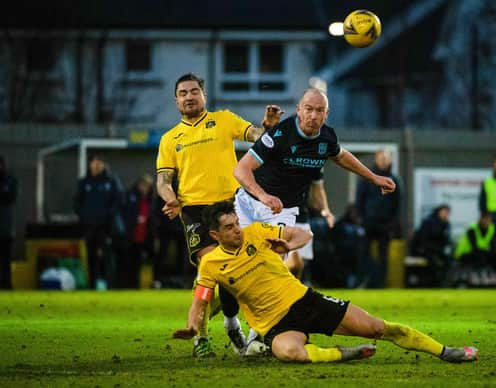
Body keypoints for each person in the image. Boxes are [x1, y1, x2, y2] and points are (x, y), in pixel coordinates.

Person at [173, 200, 478, 364]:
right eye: (229, 227)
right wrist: (191, 326)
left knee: (376, 327)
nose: (237, 230)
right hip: (275, 326)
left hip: (306, 301)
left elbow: (305, 234)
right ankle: (346, 353)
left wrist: (290, 245)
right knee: (288, 352)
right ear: (215, 235)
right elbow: (200, 300)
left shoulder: (256, 232)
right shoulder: (211, 264)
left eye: (237, 223)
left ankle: (444, 351)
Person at [231, 88, 396, 347]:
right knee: (235, 266)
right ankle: (230, 323)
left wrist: (374, 178)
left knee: (270, 268)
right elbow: (241, 170)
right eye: (308, 109)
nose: (312, 115)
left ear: (326, 114)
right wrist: (263, 195)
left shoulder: (327, 138)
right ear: (299, 109)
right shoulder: (281, 133)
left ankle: (256, 334)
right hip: (248, 202)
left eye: (319, 111)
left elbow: (343, 157)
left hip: (282, 210)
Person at [156, 72, 282, 357]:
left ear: (204, 95)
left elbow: (255, 136)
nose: (189, 96)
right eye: (183, 93)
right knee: (212, 268)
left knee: (232, 270)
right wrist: (171, 198)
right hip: (194, 211)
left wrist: (269, 129)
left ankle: (230, 322)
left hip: (231, 204)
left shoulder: (224, 119)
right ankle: (201, 339)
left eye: (193, 91)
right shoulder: (169, 139)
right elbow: (163, 181)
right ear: (176, 100)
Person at [73, 153, 125, 290]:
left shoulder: (111, 181)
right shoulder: (84, 183)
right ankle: (91, 285)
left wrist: (107, 215)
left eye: (99, 162)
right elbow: (77, 203)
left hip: (106, 227)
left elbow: (119, 200)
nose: (96, 165)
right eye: (94, 162)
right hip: (89, 226)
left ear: (104, 165)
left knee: (108, 256)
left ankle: (110, 285)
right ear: (90, 164)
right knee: (91, 256)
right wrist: (85, 216)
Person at [355, 148, 402, 288]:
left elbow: (398, 203)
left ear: (390, 160)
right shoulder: (367, 179)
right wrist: (361, 219)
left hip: (385, 224)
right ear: (376, 159)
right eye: (381, 158)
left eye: (385, 158)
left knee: (383, 256)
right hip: (368, 222)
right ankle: (363, 280)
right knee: (363, 253)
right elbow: (359, 200)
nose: (383, 161)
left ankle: (379, 283)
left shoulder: (395, 181)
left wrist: (392, 223)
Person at [453, 211, 496, 288]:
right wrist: (487, 252)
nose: (487, 222)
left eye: (489, 220)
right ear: (481, 219)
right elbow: (474, 247)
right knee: (480, 254)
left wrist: (493, 252)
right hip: (463, 253)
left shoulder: (491, 229)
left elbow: (493, 245)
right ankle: (478, 275)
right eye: (486, 219)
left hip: (479, 252)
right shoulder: (472, 229)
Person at [122, 174, 155, 288]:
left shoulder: (150, 200)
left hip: (144, 236)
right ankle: (127, 285)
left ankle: (137, 285)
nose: (145, 189)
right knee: (129, 262)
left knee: (139, 262)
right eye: (144, 186)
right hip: (131, 235)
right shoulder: (130, 196)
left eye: (148, 187)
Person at [409, 204, 453, 287]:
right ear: (439, 212)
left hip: (436, 250)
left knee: (449, 260)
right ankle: (432, 284)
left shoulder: (446, 225)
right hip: (423, 250)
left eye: (447, 213)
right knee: (432, 261)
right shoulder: (428, 222)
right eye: (444, 212)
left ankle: (442, 283)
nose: (446, 214)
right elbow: (423, 241)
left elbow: (446, 241)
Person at [0, 156, 18, 290]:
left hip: (5, 226)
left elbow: (11, 197)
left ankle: (6, 284)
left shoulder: (10, 180)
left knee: (5, 258)